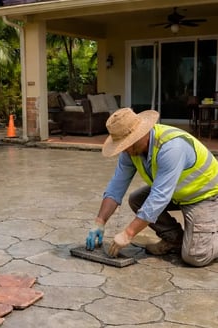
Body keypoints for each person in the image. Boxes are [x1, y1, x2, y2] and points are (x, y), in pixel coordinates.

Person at [86, 107, 218, 267]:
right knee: (137, 199)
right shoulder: (130, 152)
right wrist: (99, 221)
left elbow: (159, 197)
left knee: (195, 257)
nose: (124, 149)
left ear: (141, 134)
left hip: (206, 196)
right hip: (177, 193)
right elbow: (116, 187)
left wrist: (128, 233)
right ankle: (175, 240)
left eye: (127, 144)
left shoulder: (171, 147)